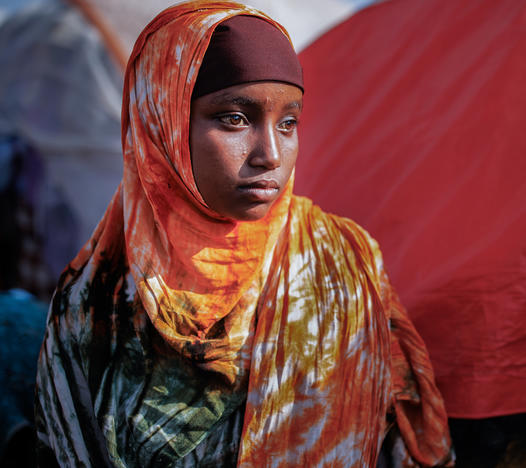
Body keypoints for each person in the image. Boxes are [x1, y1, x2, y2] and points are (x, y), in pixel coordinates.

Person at [34, 2, 453, 466]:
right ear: (163, 122)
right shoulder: (96, 301)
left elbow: (405, 442)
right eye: (235, 118)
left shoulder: (343, 262)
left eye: (289, 122)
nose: (270, 154)